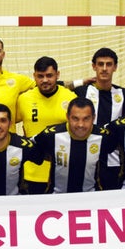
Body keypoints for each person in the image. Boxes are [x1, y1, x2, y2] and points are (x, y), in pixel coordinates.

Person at [16, 56, 76, 194]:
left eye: (49, 75)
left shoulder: (71, 98)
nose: (44, 80)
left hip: (63, 171)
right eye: (40, 76)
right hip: (31, 172)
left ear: (57, 75)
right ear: (34, 76)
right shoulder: (24, 99)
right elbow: (8, 123)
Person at [74, 48, 125, 189]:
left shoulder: (124, 94)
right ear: (94, 66)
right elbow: (54, 85)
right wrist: (79, 81)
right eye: (100, 64)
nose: (104, 69)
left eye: (109, 64)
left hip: (114, 162)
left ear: (115, 67)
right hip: (85, 160)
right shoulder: (81, 92)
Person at [34, 97, 115, 193]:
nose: (80, 124)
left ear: (93, 118)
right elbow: (31, 150)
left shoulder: (105, 137)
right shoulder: (50, 135)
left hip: (91, 198)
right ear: (67, 117)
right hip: (56, 198)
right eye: (75, 118)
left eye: (86, 119)